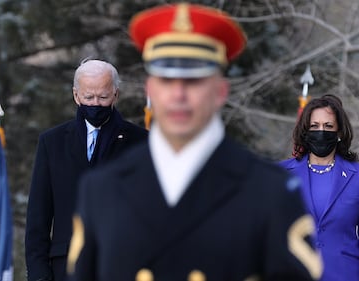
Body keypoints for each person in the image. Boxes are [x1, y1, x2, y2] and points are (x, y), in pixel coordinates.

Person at [66, 3, 323, 281]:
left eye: (194, 81)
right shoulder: (102, 190)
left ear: (220, 90)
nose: (179, 94)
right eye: (167, 80)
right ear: (150, 90)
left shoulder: (270, 192)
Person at [25, 59, 148, 281]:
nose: (95, 104)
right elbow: (38, 218)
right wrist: (39, 275)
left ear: (115, 95)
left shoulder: (142, 142)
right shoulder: (52, 143)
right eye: (88, 97)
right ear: (76, 95)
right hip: (65, 269)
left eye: (103, 97)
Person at [279, 94, 359, 281]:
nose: (321, 131)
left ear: (339, 132)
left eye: (328, 126)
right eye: (315, 126)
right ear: (305, 130)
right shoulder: (281, 174)